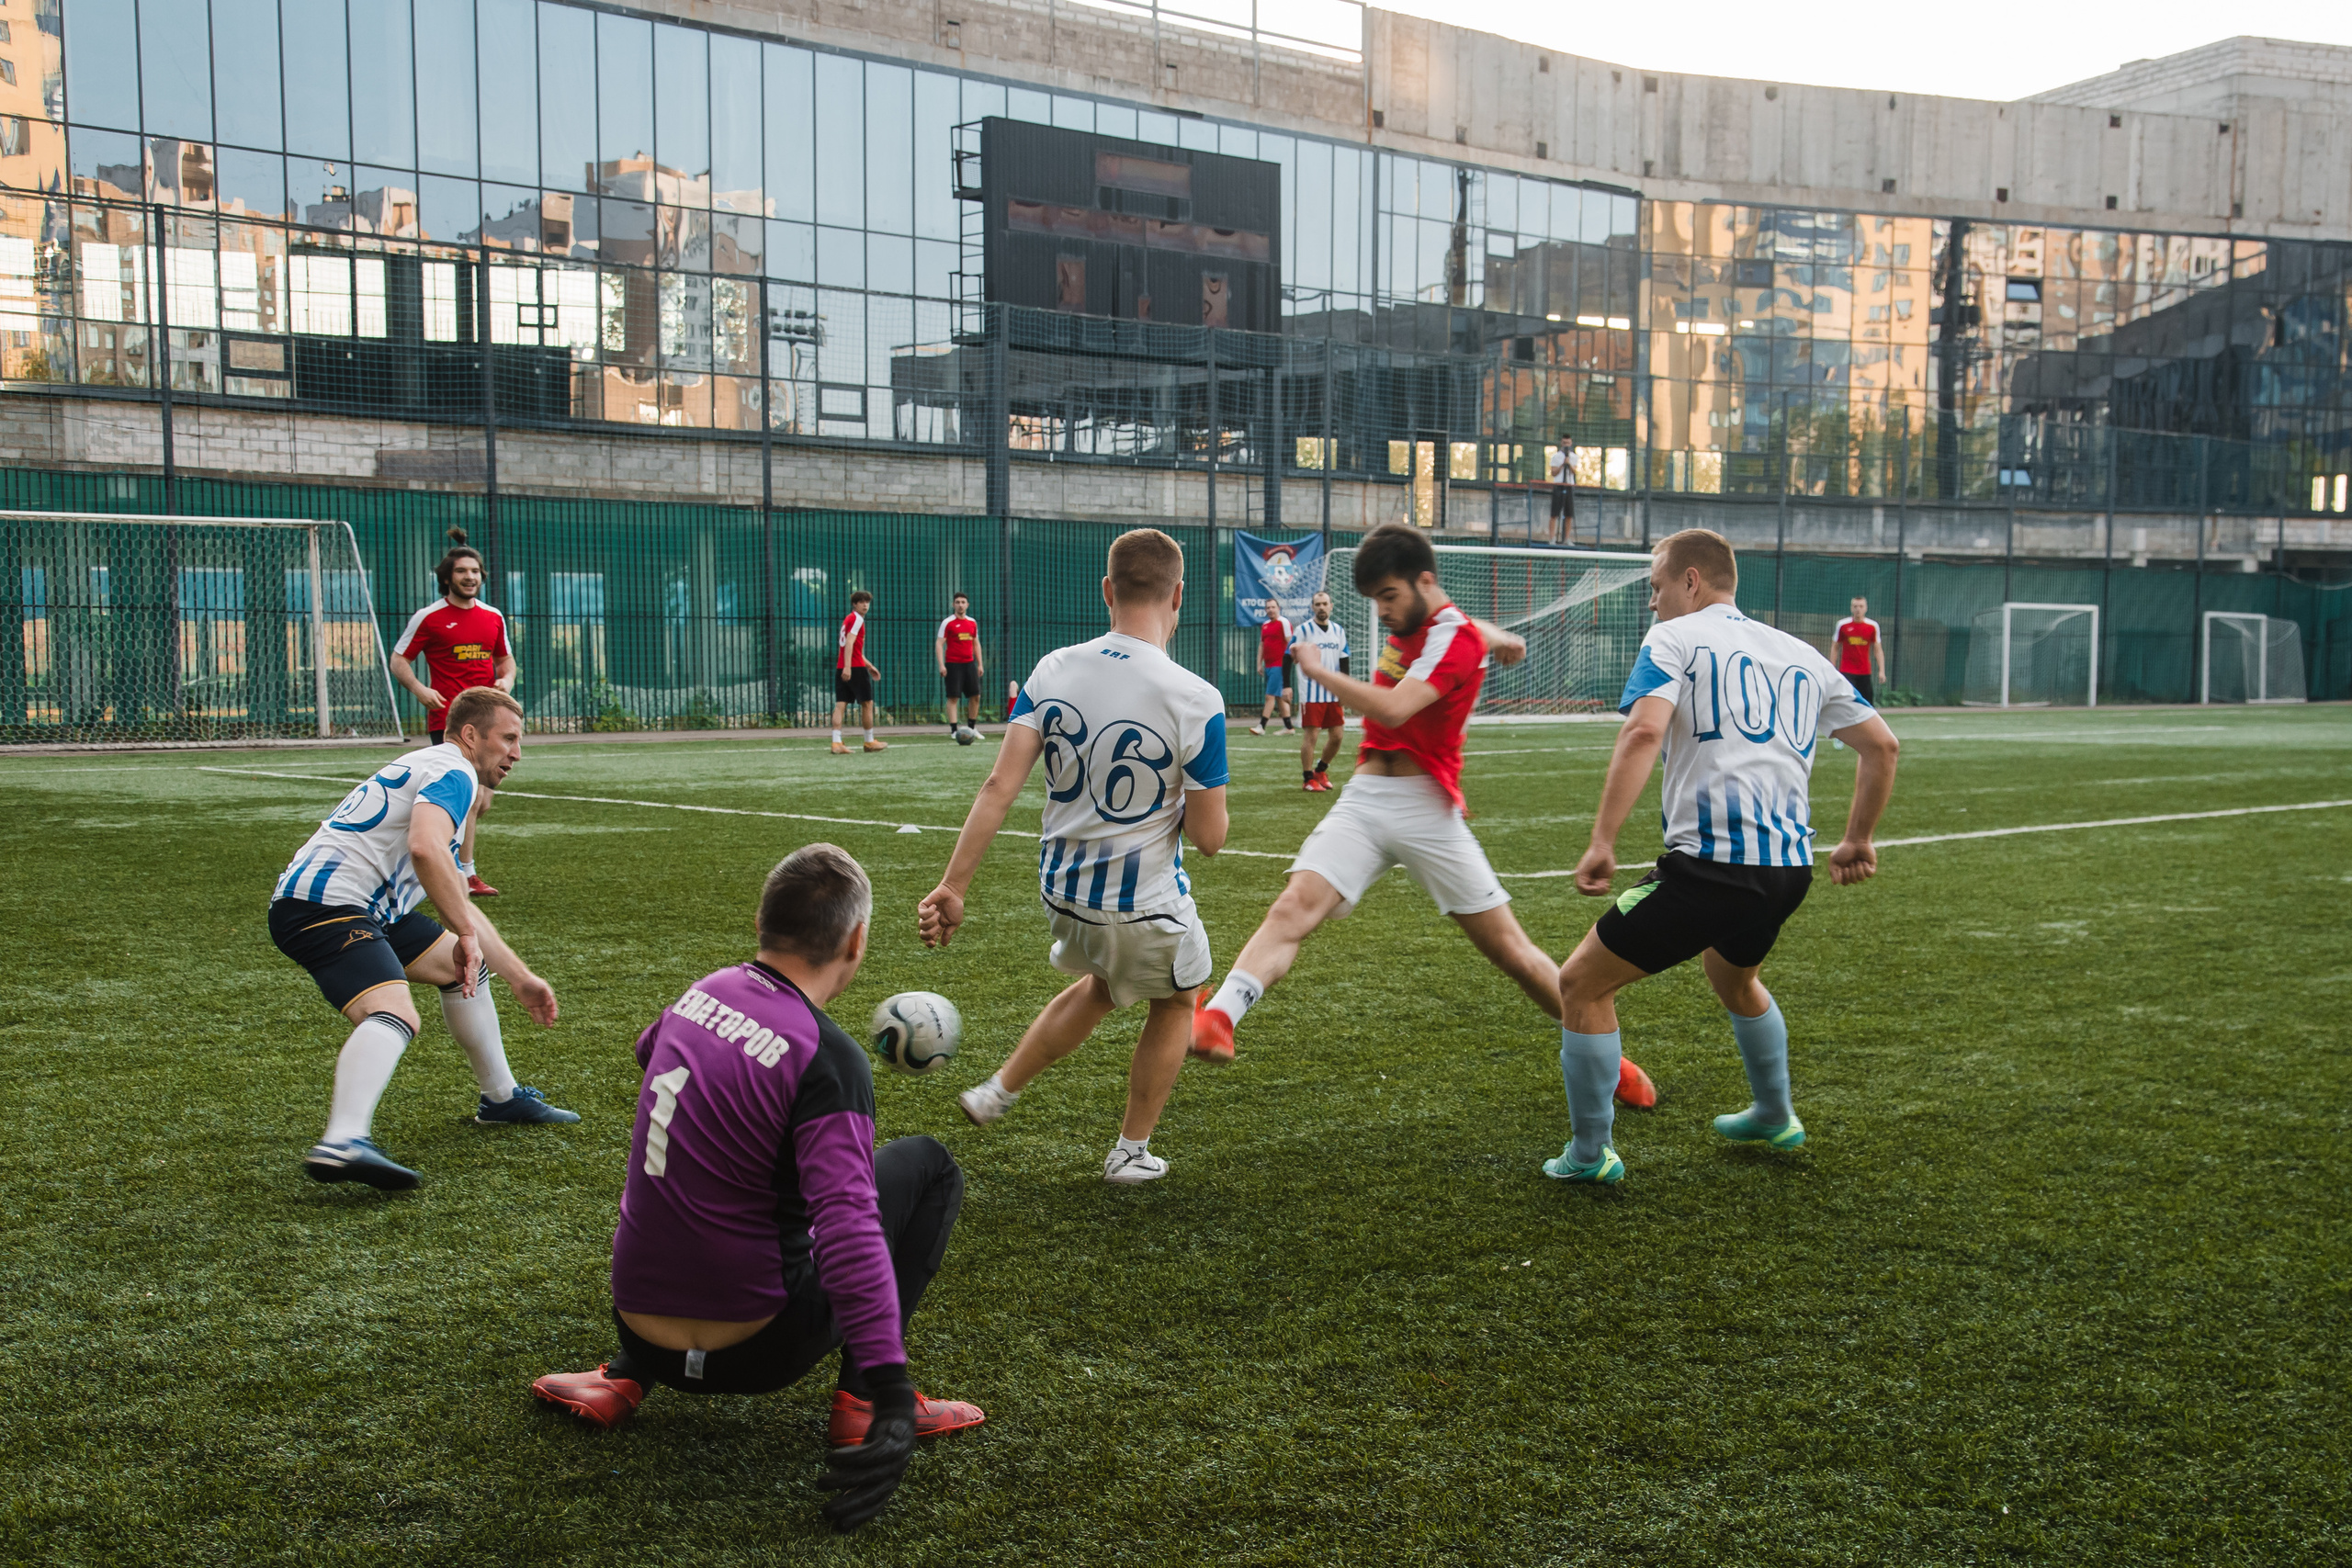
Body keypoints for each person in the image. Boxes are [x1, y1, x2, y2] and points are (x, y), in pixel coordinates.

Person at [529, 845, 984, 1533]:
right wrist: (891, 1385)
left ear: (759, 923)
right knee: (928, 1164)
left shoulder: (702, 991)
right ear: (855, 941)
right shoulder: (830, 1056)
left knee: (705, 1182)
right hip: (763, 1350)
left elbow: (647, 1052)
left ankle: (623, 1374)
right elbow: (849, 1228)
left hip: (640, 1325)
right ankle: (862, 1402)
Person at [1190, 525, 1655, 1114]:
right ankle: (1220, 1019)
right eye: (1376, 601)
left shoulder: (1452, 638)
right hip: (1364, 799)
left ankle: (1611, 1065)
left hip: (1427, 809)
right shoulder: (1439, 623)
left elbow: (1395, 704)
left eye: (1389, 597)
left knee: (1512, 952)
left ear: (1424, 581)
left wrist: (1317, 668)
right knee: (1292, 908)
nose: (1382, 614)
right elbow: (1460, 625)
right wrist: (1499, 636)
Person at [1547, 529, 1900, 1184]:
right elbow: (1883, 747)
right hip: (1786, 872)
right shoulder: (1800, 653)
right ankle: (1774, 1112)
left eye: (1655, 587)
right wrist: (1858, 837)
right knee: (1733, 977)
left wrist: (1603, 839)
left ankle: (1589, 1155)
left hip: (1714, 866)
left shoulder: (1675, 638)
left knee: (1580, 983)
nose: (1651, 603)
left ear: (1690, 581)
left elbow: (1645, 729)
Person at [921, 528, 1229, 1184]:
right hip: (1144, 902)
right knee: (1177, 1000)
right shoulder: (1196, 697)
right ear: (1178, 596)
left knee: (1101, 986)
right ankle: (1130, 1150)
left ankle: (997, 1089)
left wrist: (953, 885)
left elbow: (998, 785)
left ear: (1107, 591)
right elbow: (1210, 838)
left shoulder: (1052, 667)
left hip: (1063, 895)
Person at [268, 686, 575, 1191]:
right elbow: (426, 849)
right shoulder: (454, 772)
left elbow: (457, 896)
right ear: (471, 735)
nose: (517, 753)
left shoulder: (437, 767)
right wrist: (467, 933)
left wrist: (518, 976)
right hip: (326, 906)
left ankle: (500, 1098)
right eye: (509, 738)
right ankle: (342, 1140)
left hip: (363, 907)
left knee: (462, 962)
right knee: (395, 1014)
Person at [390, 528, 514, 897]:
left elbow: (506, 661)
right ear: (448, 577)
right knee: (469, 797)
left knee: (479, 801)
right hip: (450, 723)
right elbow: (399, 660)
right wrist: (420, 689)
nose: (470, 577)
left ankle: (439, 859)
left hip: (491, 722)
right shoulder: (429, 617)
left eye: (475, 571)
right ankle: (463, 874)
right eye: (462, 571)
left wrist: (505, 681)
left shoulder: (493, 616)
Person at [1292, 589, 1350, 792]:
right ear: (1312, 607)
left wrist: (1344, 689)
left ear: (1331, 606)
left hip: (1333, 691)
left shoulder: (1338, 631)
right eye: (1318, 604)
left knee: (1338, 735)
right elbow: (1287, 656)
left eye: (1325, 604)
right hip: (1311, 692)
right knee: (1312, 735)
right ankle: (1308, 778)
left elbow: (1344, 660)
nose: (1322, 607)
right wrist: (1286, 686)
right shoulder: (1303, 630)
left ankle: (1320, 771)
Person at [831, 590, 887, 755]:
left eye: (867, 602)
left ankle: (836, 743)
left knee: (840, 704)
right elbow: (849, 643)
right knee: (867, 703)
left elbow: (855, 649)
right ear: (854, 604)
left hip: (843, 666)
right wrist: (849, 667)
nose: (865, 605)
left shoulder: (848, 619)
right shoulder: (857, 619)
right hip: (852, 668)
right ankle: (869, 741)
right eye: (861, 602)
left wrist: (869, 666)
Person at [935, 592, 987, 737]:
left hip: (969, 664)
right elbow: (939, 644)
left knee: (975, 695)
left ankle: (972, 728)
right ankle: (953, 730)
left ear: (967, 605)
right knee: (953, 697)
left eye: (963, 602)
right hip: (953, 664)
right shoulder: (947, 623)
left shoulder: (972, 622)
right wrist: (941, 665)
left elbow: (976, 643)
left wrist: (980, 664)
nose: (960, 605)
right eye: (957, 602)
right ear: (953, 605)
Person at [1248, 596, 1295, 737]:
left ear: (1278, 608)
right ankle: (1289, 727)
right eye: (1268, 607)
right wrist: (1259, 664)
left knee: (1270, 697)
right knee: (1279, 697)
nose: (1270, 610)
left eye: (1273, 607)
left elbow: (1290, 643)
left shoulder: (1284, 623)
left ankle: (1261, 726)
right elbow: (1262, 645)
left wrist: (1289, 662)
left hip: (1279, 665)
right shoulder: (1265, 625)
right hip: (1268, 665)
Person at [1833, 596, 1888, 705]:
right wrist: (1832, 666)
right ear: (1851, 608)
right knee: (1847, 701)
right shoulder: (1842, 625)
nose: (1858, 609)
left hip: (1864, 671)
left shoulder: (1872, 626)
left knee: (1867, 703)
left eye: (1861, 606)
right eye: (1855, 606)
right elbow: (1835, 647)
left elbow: (1878, 650)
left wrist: (1882, 671)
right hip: (1847, 670)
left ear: (1866, 608)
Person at [1546, 434, 1577, 544]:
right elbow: (1553, 473)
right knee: (1554, 513)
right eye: (1564, 443)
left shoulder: (1574, 457)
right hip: (1558, 486)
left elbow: (1575, 472)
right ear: (1561, 443)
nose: (1566, 445)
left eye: (1568, 443)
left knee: (1569, 514)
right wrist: (1562, 465)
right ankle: (1552, 538)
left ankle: (1567, 538)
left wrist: (1569, 464)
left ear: (1571, 443)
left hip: (1569, 486)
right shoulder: (1556, 457)